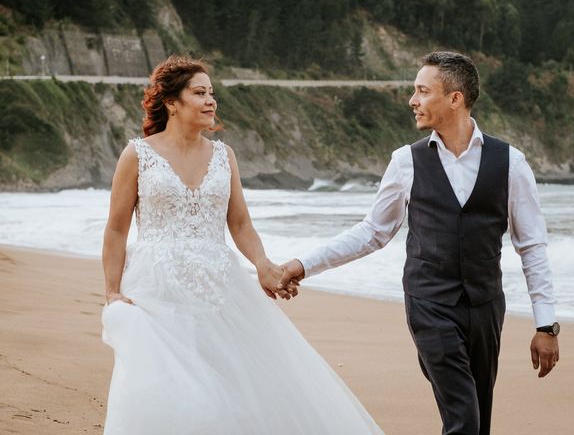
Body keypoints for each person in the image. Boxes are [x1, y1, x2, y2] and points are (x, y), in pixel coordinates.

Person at [279, 51, 560, 435]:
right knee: (464, 419)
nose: (413, 100)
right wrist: (304, 264)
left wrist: (546, 325)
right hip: (429, 305)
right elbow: (373, 232)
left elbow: (532, 246)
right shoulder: (405, 162)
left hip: (485, 308)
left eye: (422, 91)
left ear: (455, 98)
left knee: (479, 420)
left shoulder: (510, 162)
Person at [101, 55, 383, 434]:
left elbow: (240, 223)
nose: (210, 101)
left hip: (220, 285)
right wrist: (112, 292)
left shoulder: (223, 156)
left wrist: (263, 264)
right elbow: (117, 230)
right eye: (199, 93)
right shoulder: (138, 154)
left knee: (230, 385)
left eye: (212, 93)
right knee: (163, 388)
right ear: (171, 102)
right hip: (156, 290)